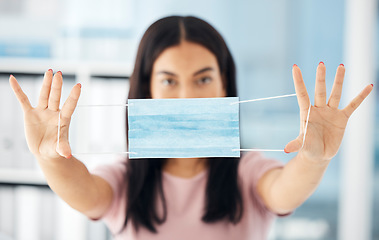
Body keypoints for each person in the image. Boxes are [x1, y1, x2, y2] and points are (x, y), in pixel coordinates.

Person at [9, 16, 373, 240]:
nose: (187, 96)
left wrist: (314, 159)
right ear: (146, 89)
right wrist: (51, 159)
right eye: (169, 81)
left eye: (202, 79)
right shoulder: (125, 178)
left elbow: (283, 192)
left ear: (225, 85)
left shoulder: (248, 171)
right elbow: (87, 193)